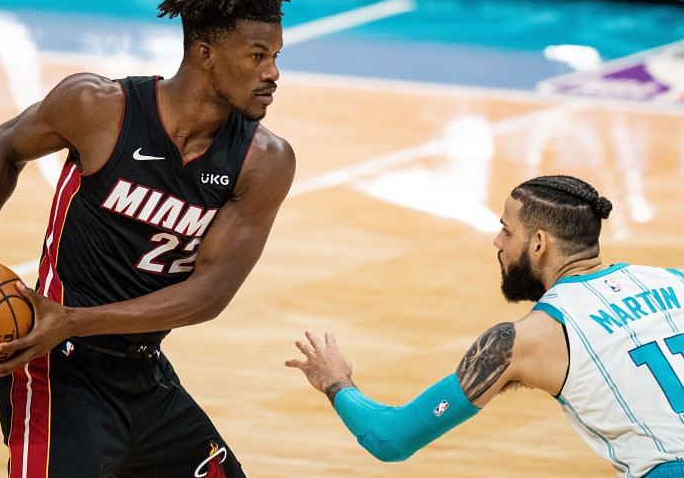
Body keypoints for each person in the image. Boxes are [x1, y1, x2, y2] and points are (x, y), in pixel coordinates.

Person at [0, 0, 294, 478]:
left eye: (274, 57)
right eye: (257, 56)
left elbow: (209, 295)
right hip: (55, 368)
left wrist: (76, 319)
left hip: (142, 373)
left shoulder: (262, 161)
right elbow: (2, 149)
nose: (272, 73)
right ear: (205, 54)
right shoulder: (98, 108)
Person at [287, 175, 684, 478]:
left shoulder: (521, 341)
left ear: (539, 243)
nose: (497, 241)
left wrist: (336, 382)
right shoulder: (674, 281)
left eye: (507, 230)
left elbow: (391, 438)